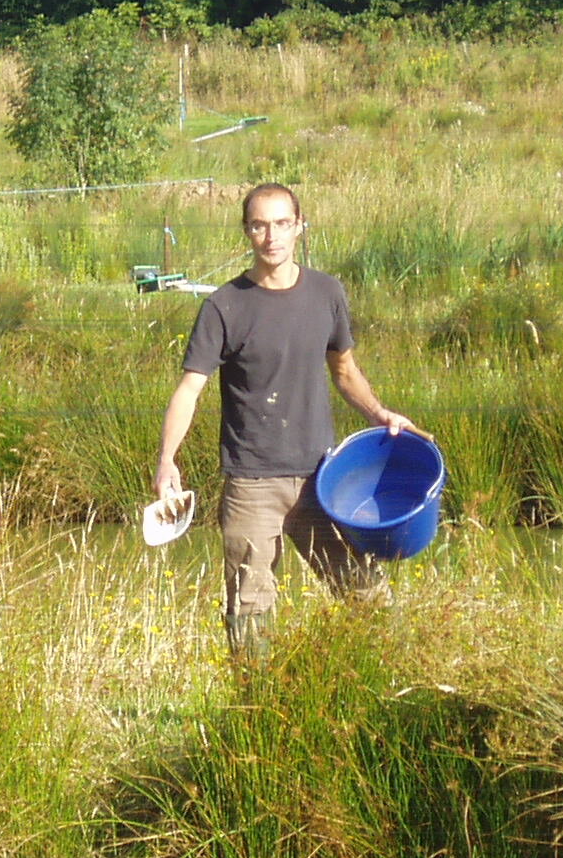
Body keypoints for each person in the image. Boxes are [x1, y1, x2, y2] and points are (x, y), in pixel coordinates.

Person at [154, 183, 425, 656]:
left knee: (367, 595)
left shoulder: (326, 292)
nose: (271, 236)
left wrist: (380, 414)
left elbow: (345, 371)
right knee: (251, 610)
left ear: (300, 226)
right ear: (246, 231)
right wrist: (166, 460)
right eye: (259, 225)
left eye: (282, 223)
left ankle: (389, 687)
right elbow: (189, 390)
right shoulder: (224, 306)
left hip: (324, 479)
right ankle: (256, 710)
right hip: (251, 484)